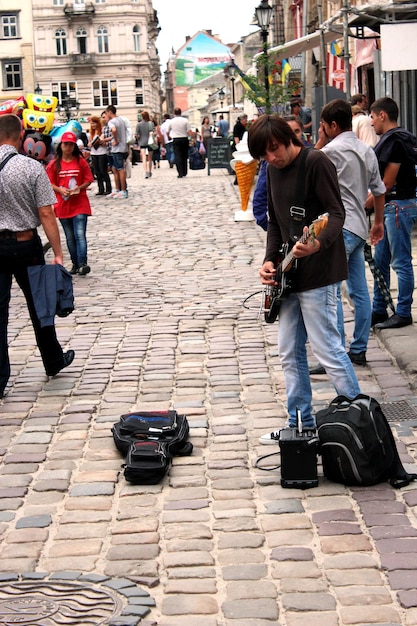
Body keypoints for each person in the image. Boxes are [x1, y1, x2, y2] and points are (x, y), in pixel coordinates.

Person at [247, 114, 360, 442]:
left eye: (274, 150)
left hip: (319, 273)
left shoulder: (316, 162)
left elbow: (337, 213)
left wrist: (318, 243)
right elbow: (274, 223)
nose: (271, 158)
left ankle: (360, 421)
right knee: (289, 352)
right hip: (288, 274)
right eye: (263, 155)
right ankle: (300, 424)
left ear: (287, 139)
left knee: (328, 350)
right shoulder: (271, 169)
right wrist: (269, 260)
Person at [0, 113, 74, 397]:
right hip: (26, 244)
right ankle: (53, 360)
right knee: (39, 305)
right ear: (20, 137)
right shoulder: (31, 167)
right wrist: (57, 252)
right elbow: (46, 213)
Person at [312, 99, 385, 371]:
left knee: (330, 291)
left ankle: (336, 353)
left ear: (332, 125)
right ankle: (359, 349)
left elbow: (306, 169)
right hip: (358, 226)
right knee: (358, 290)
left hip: (337, 228)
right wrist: (377, 223)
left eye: (324, 126)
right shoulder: (367, 151)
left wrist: (319, 142)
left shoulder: (329, 151)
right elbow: (379, 191)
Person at [366, 96, 417, 329]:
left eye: (373, 117)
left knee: (400, 262)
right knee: (381, 261)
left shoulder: (394, 141)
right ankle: (378, 309)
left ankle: (404, 312)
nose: (371, 122)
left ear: (382, 115)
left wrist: (365, 204)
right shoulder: (406, 137)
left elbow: (386, 184)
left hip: (396, 206)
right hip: (396, 206)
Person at [46, 131, 94, 276]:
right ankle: (75, 263)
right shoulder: (54, 164)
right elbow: (49, 183)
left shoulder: (80, 162)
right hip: (63, 205)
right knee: (69, 237)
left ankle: (82, 263)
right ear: (61, 146)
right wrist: (60, 190)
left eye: (71, 145)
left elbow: (89, 179)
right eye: (66, 144)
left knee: (80, 234)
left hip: (80, 204)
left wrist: (79, 188)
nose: (68, 147)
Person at [105, 105, 128, 198]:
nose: (107, 114)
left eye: (107, 113)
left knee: (120, 169)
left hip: (117, 148)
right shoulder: (121, 120)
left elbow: (113, 130)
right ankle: (118, 189)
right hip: (123, 147)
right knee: (115, 168)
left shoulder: (112, 121)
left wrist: (115, 139)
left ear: (110, 112)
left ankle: (123, 190)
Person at [88, 116, 112, 196]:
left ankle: (108, 188)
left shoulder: (102, 131)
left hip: (102, 153)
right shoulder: (91, 133)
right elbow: (89, 143)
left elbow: (105, 142)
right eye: (91, 123)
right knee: (97, 172)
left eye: (94, 123)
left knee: (103, 171)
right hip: (94, 153)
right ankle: (100, 188)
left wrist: (101, 142)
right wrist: (90, 144)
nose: (93, 125)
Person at [166, 108, 189, 179]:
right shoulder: (185, 120)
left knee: (178, 156)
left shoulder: (172, 121)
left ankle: (180, 173)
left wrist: (169, 137)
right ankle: (185, 171)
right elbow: (189, 131)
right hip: (184, 138)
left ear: (174, 113)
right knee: (184, 155)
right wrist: (191, 139)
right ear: (181, 113)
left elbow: (167, 131)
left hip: (176, 139)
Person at [135, 110, 154, 179]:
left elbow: (136, 134)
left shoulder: (139, 124)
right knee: (150, 158)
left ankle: (145, 171)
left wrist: (137, 138)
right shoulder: (151, 123)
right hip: (150, 142)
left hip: (142, 142)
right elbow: (154, 132)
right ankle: (149, 171)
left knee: (143, 157)